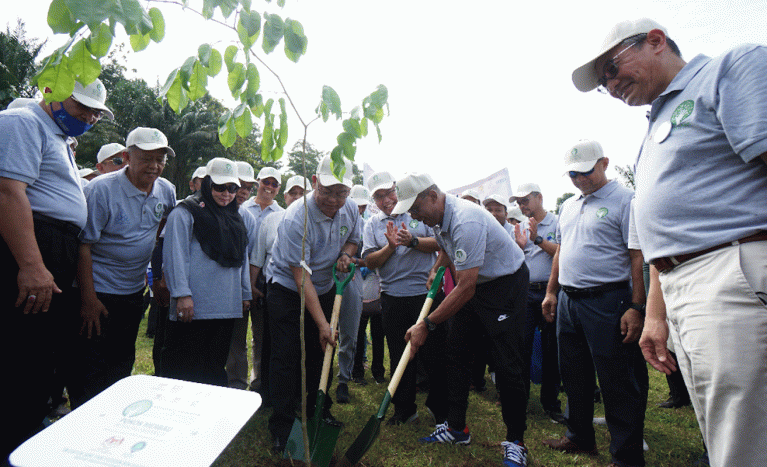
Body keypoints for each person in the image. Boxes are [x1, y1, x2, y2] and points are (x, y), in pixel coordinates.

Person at [571, 18, 767, 467]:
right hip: (685, 284)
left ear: (655, 41)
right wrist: (656, 314)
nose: (611, 84)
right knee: (723, 431)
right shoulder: (656, 122)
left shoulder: (730, 70)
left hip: (731, 270)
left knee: (745, 437)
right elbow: (665, 233)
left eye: (613, 69)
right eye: (603, 82)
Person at [0, 78, 112, 460]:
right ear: (50, 92)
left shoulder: (59, 137)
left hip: (57, 247)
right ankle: (12, 443)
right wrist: (32, 264)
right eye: (83, 107)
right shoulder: (23, 122)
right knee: (20, 356)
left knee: (39, 356)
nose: (90, 117)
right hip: (35, 247)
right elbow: (8, 192)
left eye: (96, 112)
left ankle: (26, 434)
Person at [397, 173, 530, 467]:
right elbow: (447, 246)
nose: (413, 215)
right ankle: (457, 428)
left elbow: (466, 286)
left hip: (504, 284)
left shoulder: (465, 219)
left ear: (432, 195)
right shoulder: (439, 217)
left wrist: (426, 324)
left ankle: (516, 442)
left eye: (415, 208)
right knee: (455, 352)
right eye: (409, 211)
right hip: (476, 285)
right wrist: (438, 266)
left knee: (507, 364)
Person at [540, 140, 647, 467]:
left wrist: (636, 306)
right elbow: (561, 251)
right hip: (569, 302)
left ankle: (626, 456)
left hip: (608, 300)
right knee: (573, 374)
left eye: (586, 171)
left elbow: (637, 255)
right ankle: (579, 437)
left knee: (616, 379)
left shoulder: (625, 200)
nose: (580, 178)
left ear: (604, 163)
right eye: (573, 173)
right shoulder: (569, 206)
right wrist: (551, 291)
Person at [69, 126, 177, 408]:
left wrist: (153, 275)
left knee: (121, 358)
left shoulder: (166, 191)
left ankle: (113, 417)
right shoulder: (101, 190)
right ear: (128, 157)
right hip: (99, 290)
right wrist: (88, 299)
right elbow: (84, 246)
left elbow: (162, 227)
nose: (154, 166)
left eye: (160, 159)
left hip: (132, 291)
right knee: (90, 362)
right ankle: (83, 419)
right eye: (146, 158)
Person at [265, 155, 359, 453]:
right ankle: (281, 423)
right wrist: (322, 323)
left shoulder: (351, 208)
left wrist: (345, 255)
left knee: (323, 353)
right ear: (314, 182)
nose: (334, 200)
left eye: (341, 193)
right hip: (288, 289)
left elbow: (353, 241)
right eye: (327, 191)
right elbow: (300, 277)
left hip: (326, 286)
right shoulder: (296, 216)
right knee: (287, 356)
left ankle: (318, 408)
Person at [161, 157, 251, 385]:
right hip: (194, 306)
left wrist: (245, 292)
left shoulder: (235, 218)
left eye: (232, 188)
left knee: (213, 366)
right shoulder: (185, 212)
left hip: (225, 307)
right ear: (208, 184)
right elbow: (175, 255)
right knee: (185, 367)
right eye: (220, 187)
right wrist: (181, 294)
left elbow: (243, 258)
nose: (226, 194)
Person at [362, 171, 442, 425]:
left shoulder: (417, 212)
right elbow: (369, 260)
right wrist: (390, 247)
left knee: (434, 353)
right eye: (379, 196)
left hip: (425, 295)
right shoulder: (372, 224)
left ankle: (440, 408)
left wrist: (413, 241)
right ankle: (405, 409)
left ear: (396, 189)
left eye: (389, 193)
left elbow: (440, 244)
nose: (386, 200)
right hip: (392, 297)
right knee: (399, 353)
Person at [250, 174, 310, 404]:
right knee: (272, 344)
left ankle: (297, 395)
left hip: (305, 290)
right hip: (274, 290)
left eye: (301, 193)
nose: (296, 198)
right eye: (292, 193)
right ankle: (268, 393)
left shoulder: (312, 221)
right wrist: (253, 287)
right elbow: (257, 259)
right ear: (284, 196)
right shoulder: (272, 220)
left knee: (300, 345)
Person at [510, 183, 563, 423]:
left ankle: (551, 403)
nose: (522, 206)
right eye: (519, 202)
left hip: (551, 293)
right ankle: (519, 400)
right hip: (526, 293)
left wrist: (537, 239)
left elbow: (561, 253)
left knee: (552, 349)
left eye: (525, 201)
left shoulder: (557, 222)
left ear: (539, 198)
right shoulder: (518, 228)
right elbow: (514, 261)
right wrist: (519, 247)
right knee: (522, 346)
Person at [243, 165, 284, 393]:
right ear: (258, 182)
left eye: (274, 184)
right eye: (265, 182)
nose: (268, 187)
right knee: (237, 334)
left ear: (278, 188)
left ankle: (258, 382)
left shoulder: (281, 214)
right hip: (239, 275)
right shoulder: (242, 206)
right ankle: (234, 381)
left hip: (263, 279)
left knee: (261, 336)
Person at [225, 160, 258, 390]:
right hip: (206, 290)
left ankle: (237, 382)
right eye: (240, 185)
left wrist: (245, 292)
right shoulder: (200, 210)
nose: (244, 191)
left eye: (249, 187)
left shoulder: (248, 219)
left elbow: (248, 259)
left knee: (237, 338)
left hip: (235, 290)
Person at [334, 184, 368, 404]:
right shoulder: (329, 216)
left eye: (362, 206)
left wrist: (350, 260)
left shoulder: (363, 225)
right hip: (324, 280)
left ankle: (343, 380)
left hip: (351, 279)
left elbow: (368, 258)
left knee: (349, 332)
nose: (359, 209)